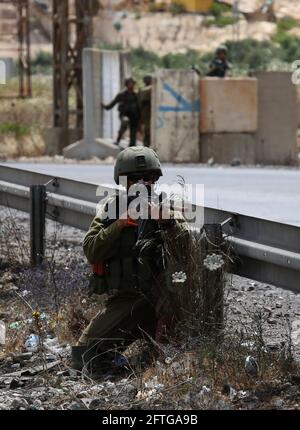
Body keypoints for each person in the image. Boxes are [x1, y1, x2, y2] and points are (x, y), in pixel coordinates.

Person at [71, 147, 188, 374]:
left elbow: (187, 247)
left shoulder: (166, 206)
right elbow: (92, 250)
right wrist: (120, 224)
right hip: (128, 299)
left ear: (155, 180)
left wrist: (167, 222)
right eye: (134, 179)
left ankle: (158, 358)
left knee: (172, 360)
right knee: (83, 357)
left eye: (148, 178)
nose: (142, 184)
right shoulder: (112, 209)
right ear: (123, 182)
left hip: (163, 300)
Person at [101, 77, 140, 147]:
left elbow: (139, 106)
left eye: (132, 84)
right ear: (126, 84)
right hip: (124, 114)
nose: (131, 85)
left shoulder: (136, 94)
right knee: (125, 122)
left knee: (133, 130)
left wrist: (141, 117)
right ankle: (118, 140)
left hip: (134, 115)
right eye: (129, 83)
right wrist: (105, 107)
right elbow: (113, 103)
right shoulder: (121, 94)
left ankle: (132, 145)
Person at [139, 75, 153, 148]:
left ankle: (147, 144)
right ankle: (146, 144)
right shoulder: (147, 89)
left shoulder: (146, 89)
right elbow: (142, 103)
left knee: (148, 129)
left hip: (147, 112)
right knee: (148, 129)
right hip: (147, 112)